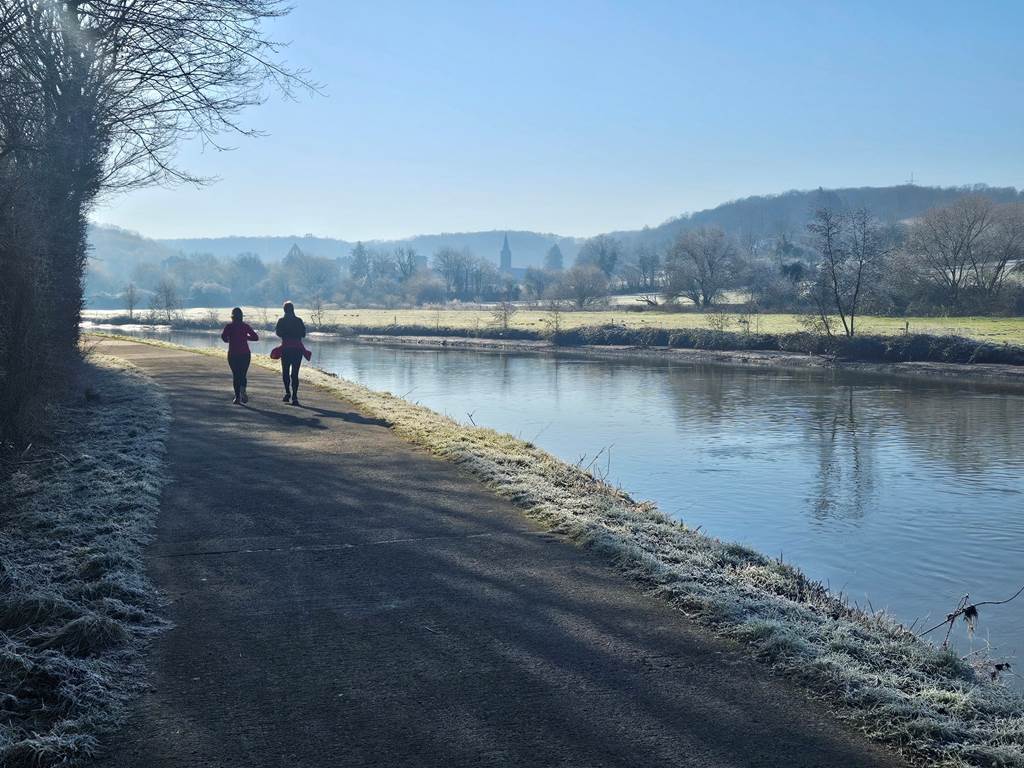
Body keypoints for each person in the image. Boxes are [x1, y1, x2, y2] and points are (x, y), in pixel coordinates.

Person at [272, 301, 309, 406]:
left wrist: (286, 334)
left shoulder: (281, 321)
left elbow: (278, 333)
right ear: (293, 309)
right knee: (295, 373)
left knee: (285, 372)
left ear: (284, 310)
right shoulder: (299, 320)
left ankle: (288, 392)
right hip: (297, 349)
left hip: (286, 348)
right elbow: (303, 334)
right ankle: (295, 396)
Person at [221, 307, 259, 404]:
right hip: (245, 354)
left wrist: (229, 340)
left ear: (232, 316)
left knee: (236, 375)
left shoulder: (229, 326)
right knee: (243, 375)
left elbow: (223, 337)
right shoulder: (245, 326)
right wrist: (246, 337)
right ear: (241, 316)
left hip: (233, 354)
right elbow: (256, 337)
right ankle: (243, 390)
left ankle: (237, 397)